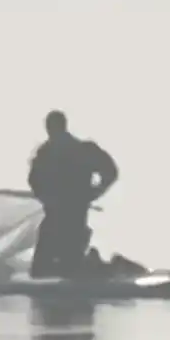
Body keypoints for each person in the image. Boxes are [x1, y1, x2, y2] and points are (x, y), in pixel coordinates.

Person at [27, 110, 119, 279]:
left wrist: (93, 193)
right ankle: (92, 263)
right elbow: (34, 181)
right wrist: (46, 197)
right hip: (53, 217)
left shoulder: (82, 149)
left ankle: (104, 266)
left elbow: (110, 172)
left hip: (74, 218)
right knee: (39, 272)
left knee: (69, 268)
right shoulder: (45, 153)